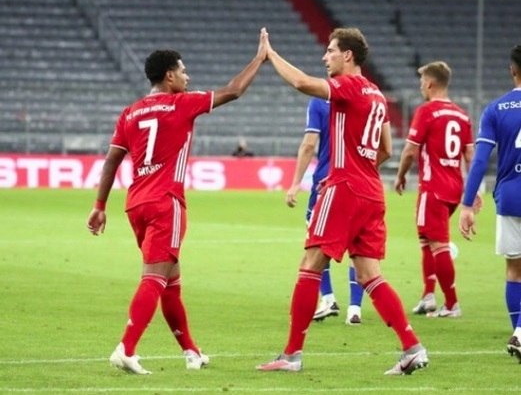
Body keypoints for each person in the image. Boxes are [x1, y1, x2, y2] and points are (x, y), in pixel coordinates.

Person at [86, 33, 267, 374]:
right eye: (183, 71)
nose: (188, 77)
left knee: (170, 281)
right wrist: (260, 58)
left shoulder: (130, 113)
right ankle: (126, 348)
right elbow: (234, 90)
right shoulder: (182, 103)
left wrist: (99, 205)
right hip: (165, 203)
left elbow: (111, 161)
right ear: (169, 76)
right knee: (154, 277)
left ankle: (191, 352)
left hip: (135, 204)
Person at [256, 27, 428, 375]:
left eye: (330, 51)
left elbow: (304, 83)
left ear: (347, 56)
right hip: (370, 190)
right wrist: (363, 168)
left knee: (310, 264)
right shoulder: (377, 95)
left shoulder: (347, 87)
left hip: (343, 187)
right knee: (369, 274)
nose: (325, 57)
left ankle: (291, 355)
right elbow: (387, 149)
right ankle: (413, 348)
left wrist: (269, 56)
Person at [394, 61, 475, 318]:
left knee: (438, 244)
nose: (420, 87)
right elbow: (471, 157)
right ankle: (428, 296)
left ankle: (451, 304)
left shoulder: (426, 111)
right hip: (454, 188)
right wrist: (471, 194)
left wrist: (400, 175)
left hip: (433, 188)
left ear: (430, 83)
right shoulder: (463, 115)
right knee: (427, 240)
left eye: (421, 82)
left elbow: (410, 150)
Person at [459, 45, 521, 363]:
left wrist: (467, 204)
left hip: (511, 196)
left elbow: (481, 159)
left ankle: (519, 333)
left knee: (514, 270)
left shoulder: (496, 109)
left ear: (513, 71)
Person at [286, 97, 365, 325]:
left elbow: (309, 144)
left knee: (316, 243)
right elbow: (382, 147)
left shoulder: (320, 101)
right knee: (356, 246)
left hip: (327, 182)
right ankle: (355, 308)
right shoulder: (366, 99)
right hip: (359, 184)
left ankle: (328, 299)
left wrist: (295, 183)